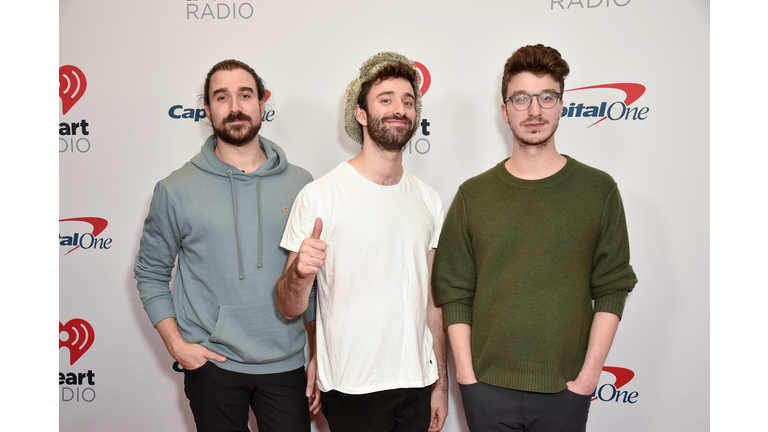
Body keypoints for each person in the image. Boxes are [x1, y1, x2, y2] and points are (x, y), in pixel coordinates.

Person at [432, 44, 638, 432]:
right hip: (486, 390)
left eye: (546, 97)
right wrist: (466, 378)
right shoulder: (473, 195)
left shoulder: (598, 190)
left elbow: (612, 286)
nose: (534, 111)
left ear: (562, 105)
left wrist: (587, 380)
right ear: (504, 110)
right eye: (521, 98)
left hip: (566, 390)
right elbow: (454, 292)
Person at [134, 59, 319, 432]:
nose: (235, 107)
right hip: (212, 366)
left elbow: (311, 283)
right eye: (222, 97)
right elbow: (150, 274)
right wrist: (177, 345)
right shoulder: (176, 189)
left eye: (245, 95)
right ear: (207, 110)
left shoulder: (302, 183)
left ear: (262, 104)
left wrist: (318, 354)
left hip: (285, 364)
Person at [275, 52, 449, 432]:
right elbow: (289, 307)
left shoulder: (429, 200)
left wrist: (441, 383)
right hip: (351, 387)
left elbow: (434, 304)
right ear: (361, 114)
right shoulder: (320, 196)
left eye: (407, 101)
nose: (398, 109)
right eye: (385, 99)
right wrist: (301, 274)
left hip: (417, 384)